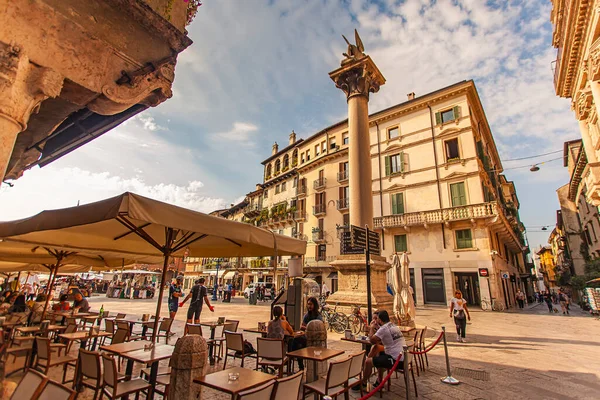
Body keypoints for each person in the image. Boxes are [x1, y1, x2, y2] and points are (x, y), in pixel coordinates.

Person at [354, 310, 406, 391]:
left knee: (368, 361)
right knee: (377, 350)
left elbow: (372, 340)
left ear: (380, 320)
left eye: (377, 318)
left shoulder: (384, 329)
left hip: (396, 360)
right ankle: (378, 379)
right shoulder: (393, 325)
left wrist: (371, 328)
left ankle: (363, 382)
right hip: (403, 357)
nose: (375, 320)